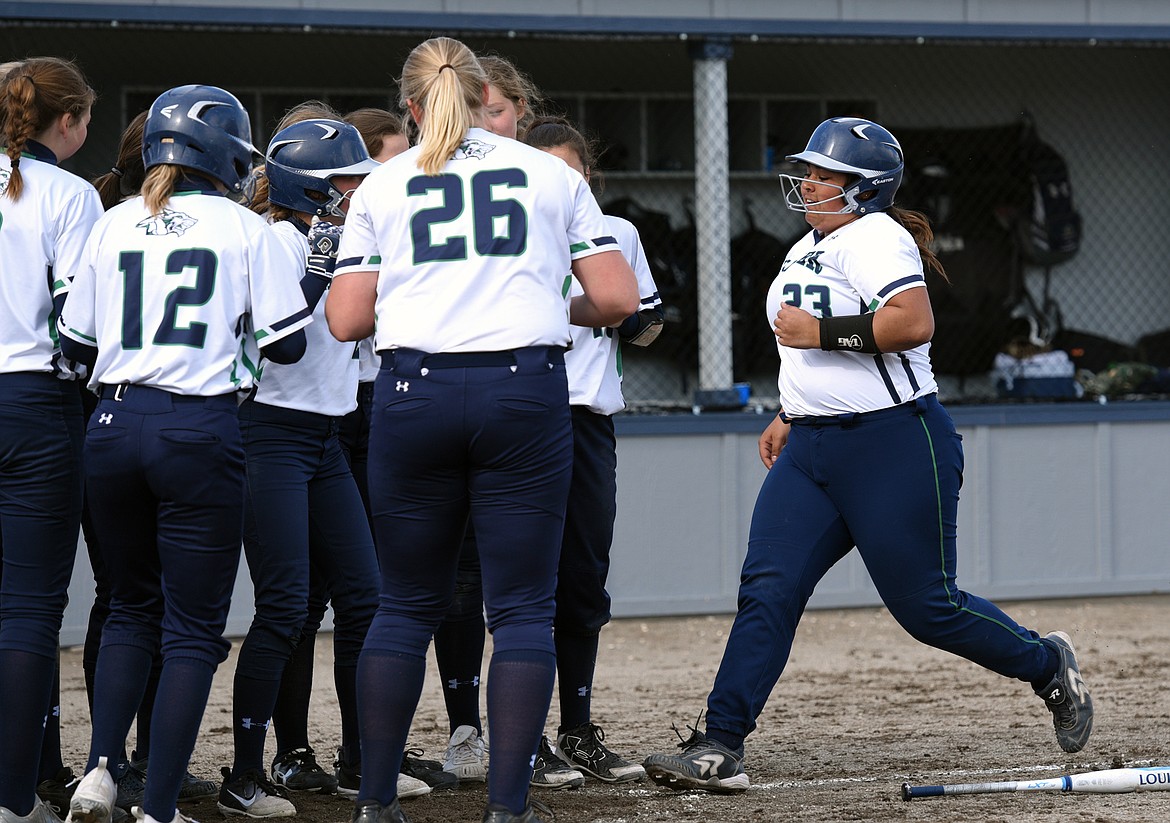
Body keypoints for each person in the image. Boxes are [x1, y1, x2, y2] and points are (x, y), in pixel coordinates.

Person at [640, 116, 1095, 794]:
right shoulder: (809, 246)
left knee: (928, 609)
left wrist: (820, 334)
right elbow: (818, 354)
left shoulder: (877, 236)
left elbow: (912, 323)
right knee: (769, 587)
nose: (811, 182)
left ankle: (1045, 662)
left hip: (895, 444)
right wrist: (792, 409)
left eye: (827, 174)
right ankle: (722, 741)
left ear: (864, 188)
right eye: (813, 170)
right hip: (814, 450)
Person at [325, 35, 639, 823]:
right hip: (523, 392)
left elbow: (346, 318)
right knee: (524, 610)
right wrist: (537, 298)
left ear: (412, 105)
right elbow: (617, 299)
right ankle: (507, 808)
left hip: (415, 391)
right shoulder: (546, 172)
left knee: (403, 605)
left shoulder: (383, 182)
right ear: (485, 96)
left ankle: (373, 804)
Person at [57, 84, 311, 823]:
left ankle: (103, 769)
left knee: (130, 607)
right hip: (197, 429)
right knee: (193, 627)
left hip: (110, 424)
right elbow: (288, 343)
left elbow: (74, 344)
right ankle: (158, 807)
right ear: (225, 152)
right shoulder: (245, 228)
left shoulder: (114, 222)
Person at [216, 115, 387, 819]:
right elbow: (276, 336)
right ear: (309, 189)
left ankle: (359, 758)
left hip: (325, 437)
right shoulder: (273, 240)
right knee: (284, 605)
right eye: (343, 182)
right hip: (269, 433)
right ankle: (245, 772)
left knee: (367, 596)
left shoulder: (341, 243)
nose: (355, 193)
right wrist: (319, 267)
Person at [521, 116, 663, 788]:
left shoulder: (617, 231)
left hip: (588, 418)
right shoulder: (508, 234)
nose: (561, 184)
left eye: (570, 171)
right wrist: (593, 307)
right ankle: (514, 736)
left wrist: (621, 312)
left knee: (583, 580)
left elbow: (646, 323)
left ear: (587, 173)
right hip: (522, 411)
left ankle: (575, 729)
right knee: (521, 584)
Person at [431, 52, 543, 787]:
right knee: (460, 583)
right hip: (483, 395)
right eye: (476, 109)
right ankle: (471, 733)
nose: (483, 125)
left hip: (529, 397)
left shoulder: (548, 182)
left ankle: (549, 732)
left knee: (546, 584)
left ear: (520, 117)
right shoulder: (419, 175)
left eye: (497, 112)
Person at [0, 56, 102, 823]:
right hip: (37, 405)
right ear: (65, 121)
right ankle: (12, 801)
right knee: (31, 610)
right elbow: (78, 330)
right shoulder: (70, 195)